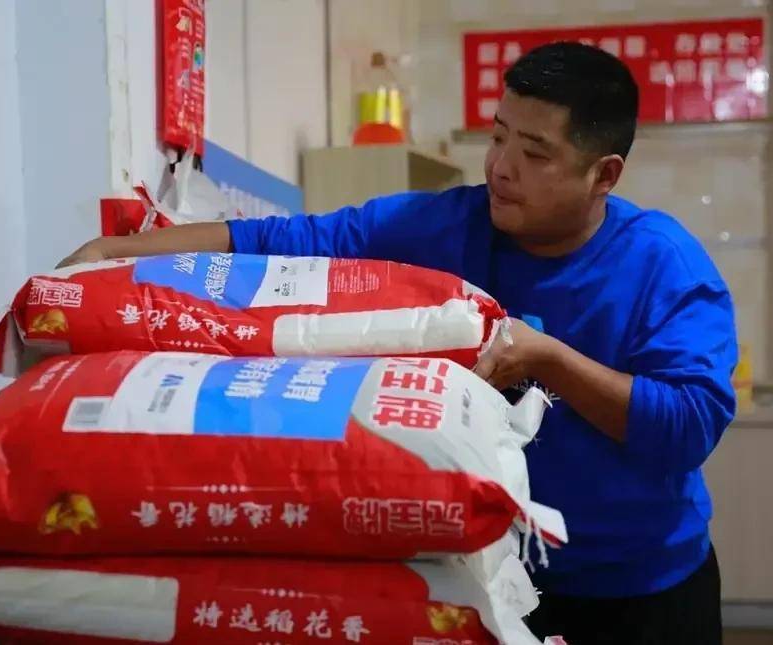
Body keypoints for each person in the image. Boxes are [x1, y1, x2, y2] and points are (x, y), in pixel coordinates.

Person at [60, 42, 736, 644]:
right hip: (494, 574)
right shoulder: (448, 224)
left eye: (535, 155)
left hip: (644, 590)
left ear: (604, 175)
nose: (501, 167)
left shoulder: (663, 265)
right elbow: (293, 242)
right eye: (498, 137)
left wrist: (548, 358)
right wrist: (116, 254)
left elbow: (689, 425)